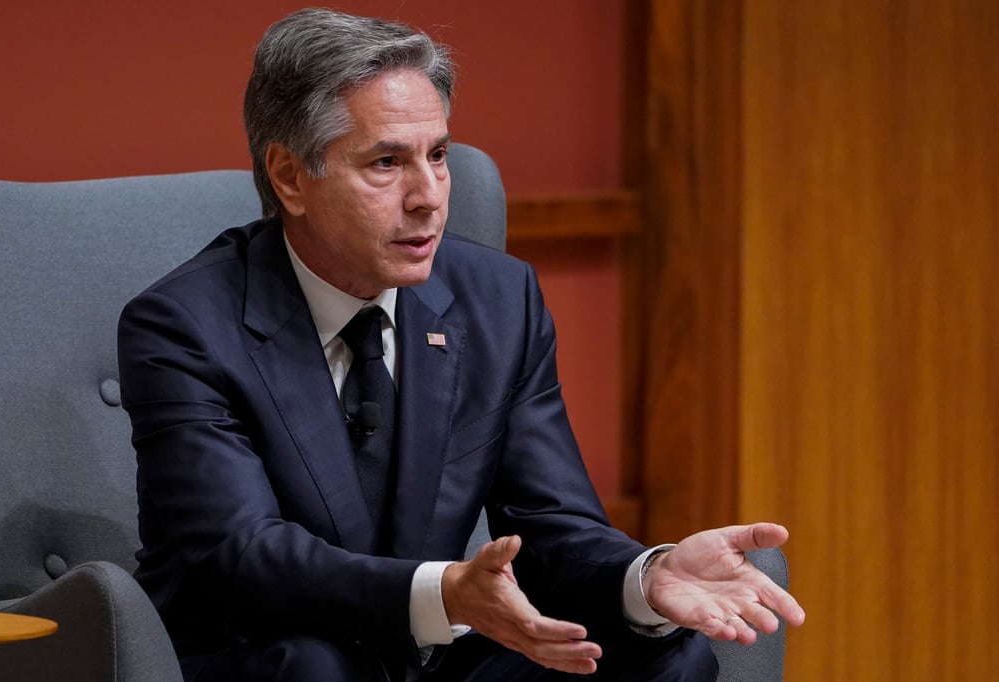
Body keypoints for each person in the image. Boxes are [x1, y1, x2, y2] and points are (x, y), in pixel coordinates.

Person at [117, 8, 804, 682]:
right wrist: (443, 593)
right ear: (291, 178)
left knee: (666, 653)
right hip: (270, 654)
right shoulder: (184, 325)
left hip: (426, 659)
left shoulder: (498, 299)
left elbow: (552, 525)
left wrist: (645, 577)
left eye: (437, 155)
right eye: (387, 162)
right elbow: (243, 557)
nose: (428, 197)